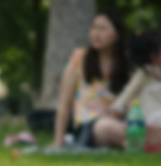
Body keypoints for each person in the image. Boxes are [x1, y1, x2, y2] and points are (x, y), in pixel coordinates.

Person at [49, 9, 131, 149]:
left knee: (130, 127)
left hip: (118, 122)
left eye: (103, 29)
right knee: (105, 126)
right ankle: (147, 143)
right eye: (93, 27)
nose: (96, 33)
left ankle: (134, 143)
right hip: (88, 127)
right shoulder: (79, 58)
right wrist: (58, 141)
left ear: (117, 34)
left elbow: (132, 103)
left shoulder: (127, 64)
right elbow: (64, 103)